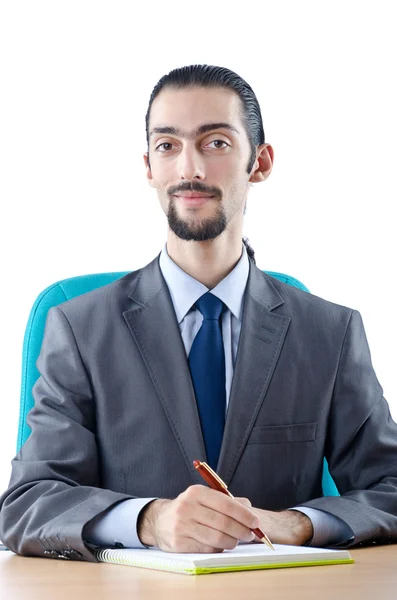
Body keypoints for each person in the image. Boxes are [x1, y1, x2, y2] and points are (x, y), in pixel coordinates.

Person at [1, 64, 397, 562]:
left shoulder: (329, 332)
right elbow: (28, 503)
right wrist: (149, 520)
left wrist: (299, 523)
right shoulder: (79, 328)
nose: (190, 168)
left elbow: (391, 487)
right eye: (168, 146)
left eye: (216, 143)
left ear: (261, 161)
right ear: (149, 166)